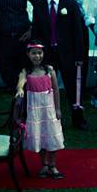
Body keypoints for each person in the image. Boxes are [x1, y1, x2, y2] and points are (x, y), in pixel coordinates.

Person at [32, 0, 86, 130]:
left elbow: (78, 32)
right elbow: (36, 32)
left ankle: (78, 119)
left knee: (74, 89)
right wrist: (37, 55)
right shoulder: (39, 6)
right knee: (47, 89)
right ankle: (49, 119)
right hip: (48, 55)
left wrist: (79, 56)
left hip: (69, 55)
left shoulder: (70, 4)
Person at [15, 42, 65, 179]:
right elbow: (21, 81)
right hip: (35, 111)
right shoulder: (27, 71)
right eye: (34, 53)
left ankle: (53, 164)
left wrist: (58, 108)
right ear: (28, 54)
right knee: (40, 135)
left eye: (39, 53)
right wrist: (20, 88)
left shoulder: (49, 70)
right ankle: (44, 163)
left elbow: (55, 90)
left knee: (51, 135)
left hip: (49, 110)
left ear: (43, 54)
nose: (37, 56)